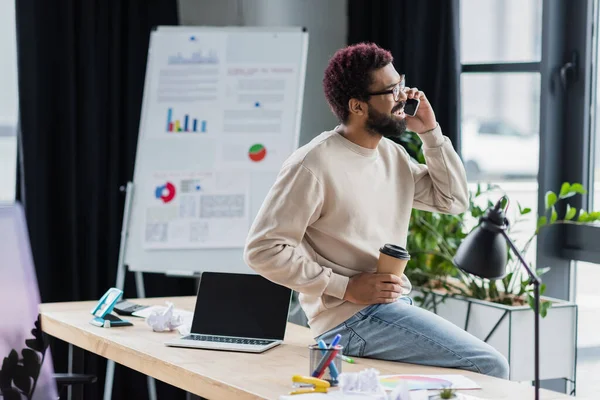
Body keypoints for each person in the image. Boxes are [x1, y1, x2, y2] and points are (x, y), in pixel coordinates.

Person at [243, 43, 509, 379]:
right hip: (349, 320)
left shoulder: (392, 156)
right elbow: (262, 250)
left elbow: (452, 200)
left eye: (401, 84)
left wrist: (430, 133)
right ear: (357, 105)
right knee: (491, 366)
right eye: (391, 90)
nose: (404, 97)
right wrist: (345, 286)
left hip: (389, 308)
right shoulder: (313, 164)